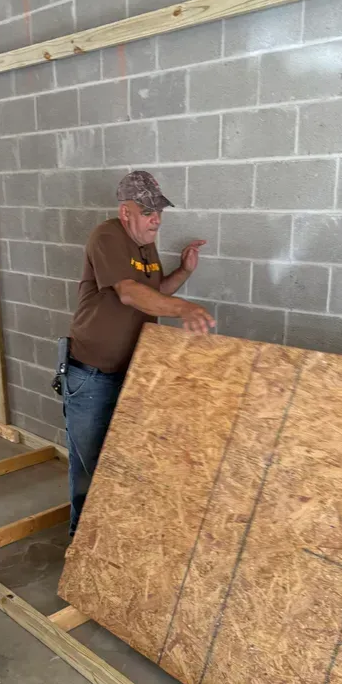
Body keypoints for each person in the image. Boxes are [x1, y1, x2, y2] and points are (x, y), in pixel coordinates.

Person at [60, 170, 214, 536]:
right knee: (90, 465)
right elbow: (128, 292)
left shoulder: (145, 243)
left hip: (133, 372)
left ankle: (116, 542)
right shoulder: (108, 235)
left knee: (125, 461)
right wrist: (183, 309)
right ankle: (81, 541)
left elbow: (153, 291)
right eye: (147, 212)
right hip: (92, 374)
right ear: (125, 211)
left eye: (158, 211)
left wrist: (184, 271)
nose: (156, 219)